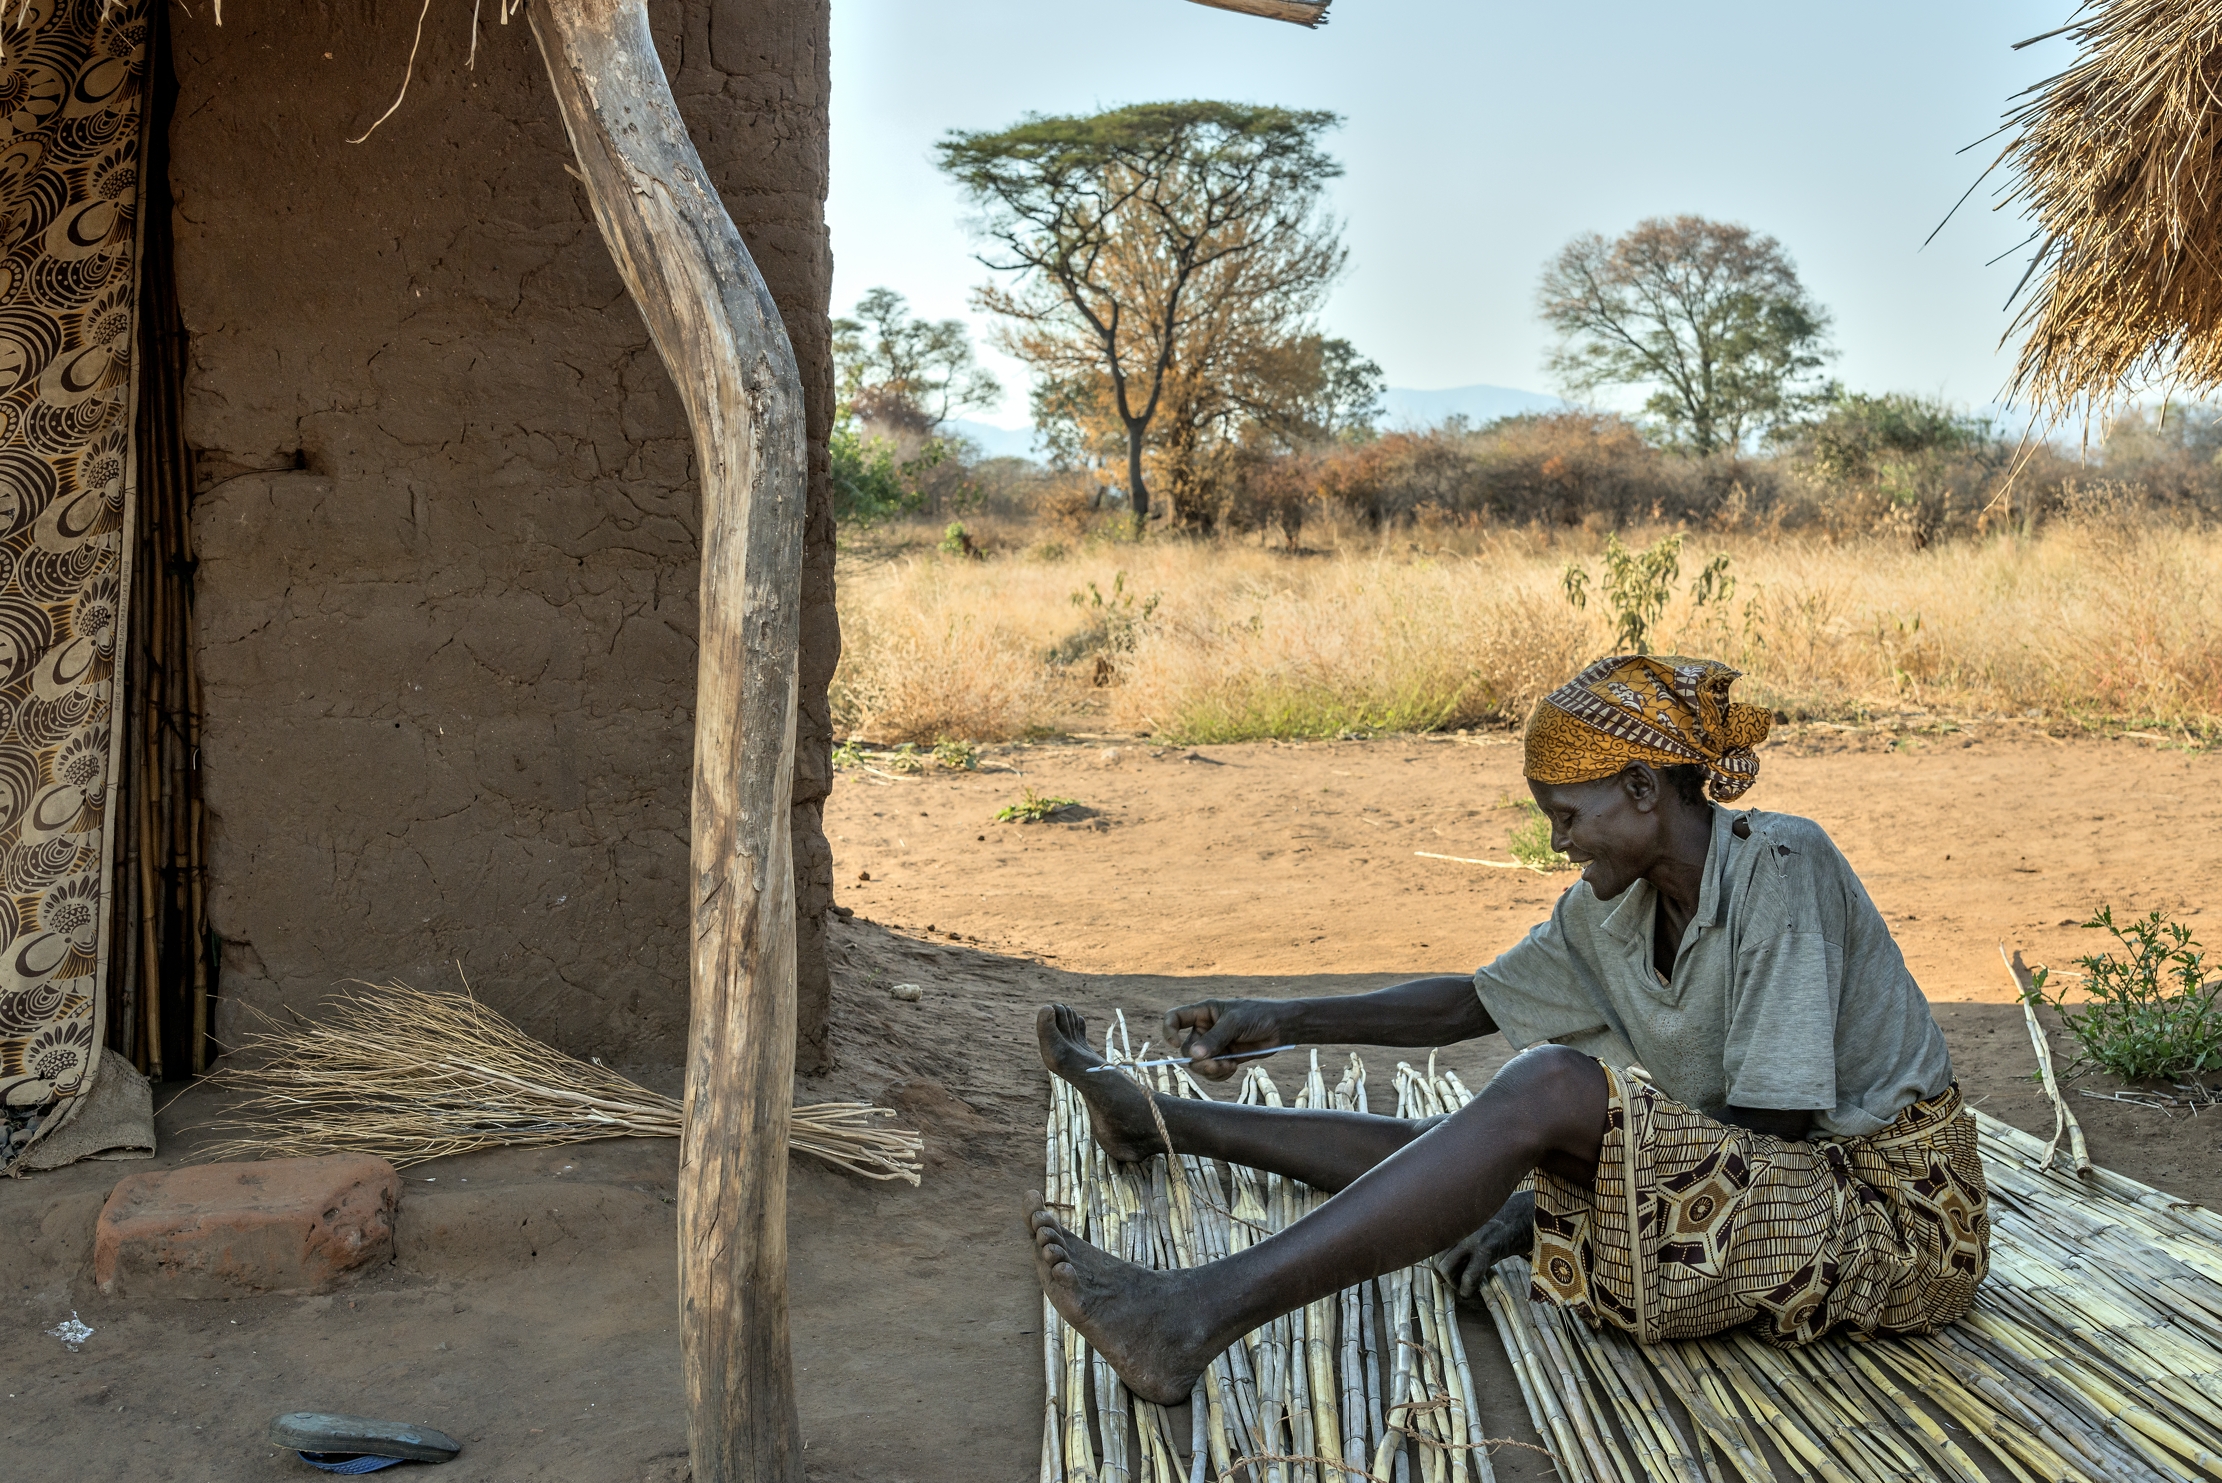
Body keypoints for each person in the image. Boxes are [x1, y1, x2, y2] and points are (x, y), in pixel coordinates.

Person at [1028, 654, 1990, 1406]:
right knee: (1470, 1154)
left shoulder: (1781, 862)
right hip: (1756, 1184)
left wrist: (1544, 1203)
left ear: (1646, 790)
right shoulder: (1609, 908)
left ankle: (1193, 1314)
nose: (1558, 841)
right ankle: (1159, 1121)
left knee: (1541, 1096)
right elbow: (1469, 1002)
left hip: (1888, 1220)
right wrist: (1279, 1016)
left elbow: (1775, 1121)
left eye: (1568, 815)